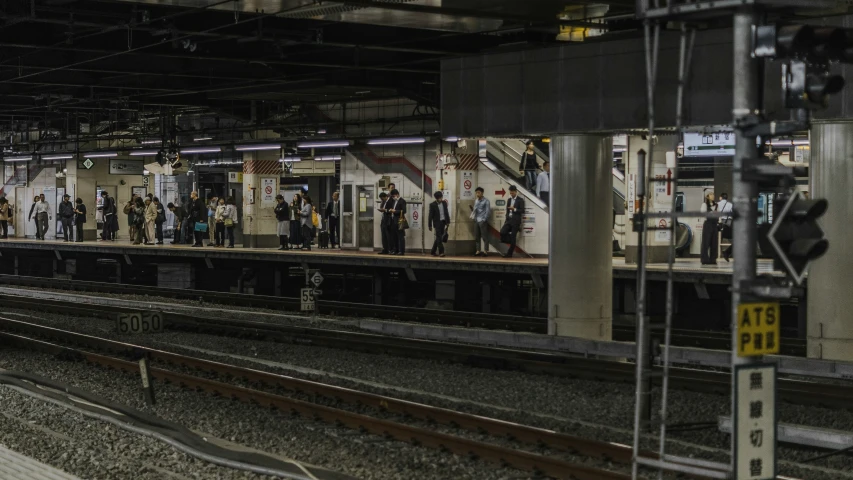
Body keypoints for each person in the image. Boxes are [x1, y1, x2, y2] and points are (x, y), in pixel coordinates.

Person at [500, 185, 525, 258]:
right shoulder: (509, 200)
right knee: (502, 232)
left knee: (513, 237)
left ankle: (509, 254)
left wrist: (514, 209)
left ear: (516, 192)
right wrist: (506, 219)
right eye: (510, 193)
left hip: (516, 221)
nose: (511, 194)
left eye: (513, 193)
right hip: (509, 220)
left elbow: (522, 210)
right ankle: (510, 239)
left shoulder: (520, 200)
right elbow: (507, 210)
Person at [469, 187, 491, 256]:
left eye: (478, 192)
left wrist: (484, 220)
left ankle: (485, 251)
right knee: (477, 236)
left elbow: (488, 212)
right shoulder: (476, 201)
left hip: (482, 220)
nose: (477, 194)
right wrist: (472, 209)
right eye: (476, 193)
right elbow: (475, 211)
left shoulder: (486, 201)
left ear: (482, 193)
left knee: (484, 236)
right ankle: (478, 251)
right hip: (476, 220)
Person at [428, 191, 450, 257]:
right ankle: (441, 252)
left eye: (441, 197)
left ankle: (433, 251)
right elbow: (430, 215)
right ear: (436, 198)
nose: (441, 199)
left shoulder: (444, 203)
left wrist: (448, 222)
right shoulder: (432, 205)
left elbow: (446, 212)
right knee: (439, 237)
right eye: (439, 198)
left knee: (439, 237)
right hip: (437, 223)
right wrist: (430, 225)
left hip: (443, 222)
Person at [699, 192, 718, 265]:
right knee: (706, 242)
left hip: (714, 224)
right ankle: (704, 259)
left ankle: (713, 259)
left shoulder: (716, 205)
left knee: (714, 242)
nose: (713, 196)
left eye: (713, 194)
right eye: (711, 195)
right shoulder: (704, 204)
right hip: (708, 223)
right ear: (707, 196)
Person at [387, 189, 406, 256]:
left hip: (399, 221)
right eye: (392, 196)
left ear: (397, 194)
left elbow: (404, 211)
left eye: (394, 196)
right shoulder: (394, 201)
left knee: (400, 236)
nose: (393, 197)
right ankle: (396, 250)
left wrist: (395, 211)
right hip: (393, 220)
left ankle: (401, 250)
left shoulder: (402, 201)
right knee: (394, 236)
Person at [717, 193, 733, 262]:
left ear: (720, 197)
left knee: (718, 238)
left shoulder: (717, 204)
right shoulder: (730, 204)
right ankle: (727, 252)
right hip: (728, 223)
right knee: (732, 239)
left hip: (719, 223)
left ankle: (716, 254)